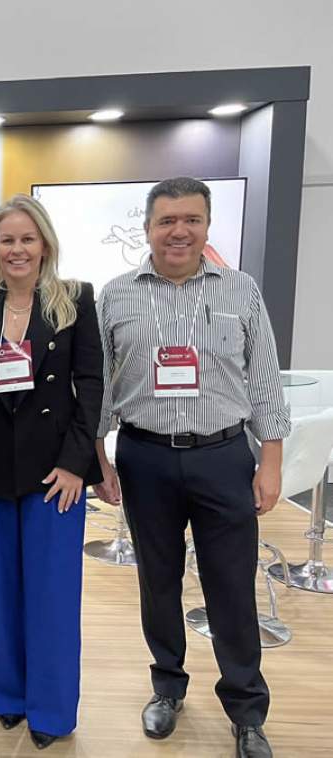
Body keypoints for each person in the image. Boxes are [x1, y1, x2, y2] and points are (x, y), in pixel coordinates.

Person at [94, 177, 289, 758]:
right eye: (166, 221)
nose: (179, 231)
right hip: (145, 456)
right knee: (158, 582)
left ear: (206, 226)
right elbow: (99, 386)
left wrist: (270, 461)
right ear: (148, 228)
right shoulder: (116, 295)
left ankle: (246, 710)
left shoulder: (241, 290)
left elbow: (265, 380)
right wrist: (99, 457)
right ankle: (167, 687)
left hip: (223, 456)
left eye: (191, 220)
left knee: (231, 585)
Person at [0, 195, 103, 749]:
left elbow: (91, 387)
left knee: (52, 596)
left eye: (27, 239)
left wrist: (75, 464)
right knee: (1, 590)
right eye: (7, 240)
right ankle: (5, 697)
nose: (17, 249)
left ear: (45, 245)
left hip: (55, 474)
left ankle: (51, 710)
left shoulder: (75, 300)